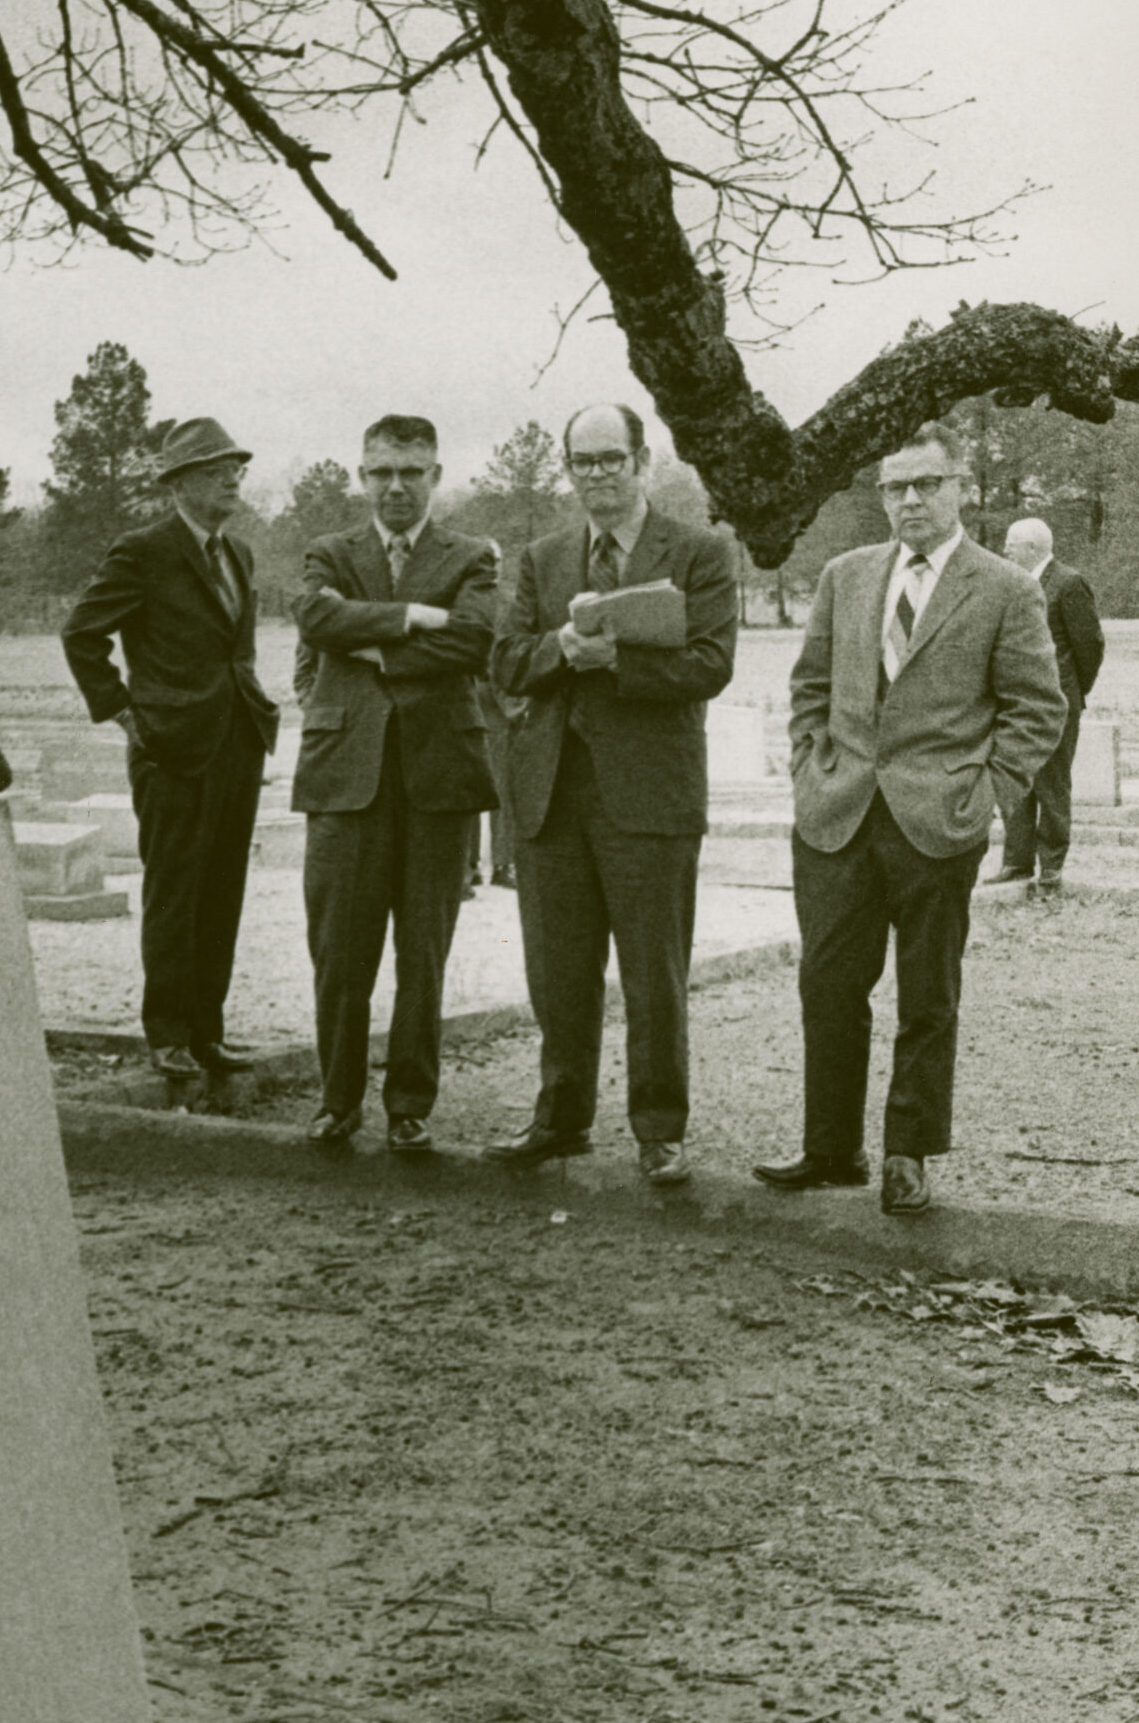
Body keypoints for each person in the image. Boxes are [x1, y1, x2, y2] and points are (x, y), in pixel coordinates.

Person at [754, 422, 1066, 1216]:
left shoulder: (1004, 587)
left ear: (958, 486)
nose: (911, 500)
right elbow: (810, 688)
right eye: (896, 486)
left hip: (938, 821)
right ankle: (830, 1149)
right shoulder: (846, 575)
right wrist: (808, 770)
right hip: (837, 815)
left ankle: (908, 1153)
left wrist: (986, 789)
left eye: (927, 483)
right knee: (827, 985)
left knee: (927, 995)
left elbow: (1037, 708)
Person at [486, 402, 739, 1187]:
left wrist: (615, 663)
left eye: (610, 459)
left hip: (650, 797)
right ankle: (560, 1120)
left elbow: (710, 666)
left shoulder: (698, 552)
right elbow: (504, 663)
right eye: (582, 461)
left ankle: (660, 1130)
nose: (596, 474)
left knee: (653, 973)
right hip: (552, 795)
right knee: (558, 972)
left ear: (642, 460)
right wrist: (562, 648)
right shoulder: (542, 557)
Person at [292, 415, 499, 1155]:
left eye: (412, 472)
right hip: (345, 778)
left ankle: (410, 1105)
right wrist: (411, 617)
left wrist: (368, 644)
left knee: (424, 953)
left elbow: (474, 639)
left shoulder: (472, 556)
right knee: (340, 952)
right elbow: (315, 616)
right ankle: (336, 1101)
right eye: (381, 472)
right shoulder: (330, 551)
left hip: (438, 778)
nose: (397, 486)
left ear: (436, 476)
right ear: (362, 476)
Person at [62, 417, 279, 1082]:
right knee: (175, 891)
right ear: (182, 484)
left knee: (222, 892)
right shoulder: (142, 551)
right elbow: (82, 634)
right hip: (170, 749)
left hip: (236, 743)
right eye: (219, 471)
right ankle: (168, 1033)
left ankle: (207, 1033)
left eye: (237, 469)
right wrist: (126, 713)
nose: (234, 479)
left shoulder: (238, 555)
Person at [992, 515, 1105, 897]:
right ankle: (1016, 862)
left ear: (1033, 548)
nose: (1004, 549)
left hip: (1056, 705)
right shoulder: (1009, 584)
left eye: (1011, 543)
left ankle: (1051, 870)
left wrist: (1070, 691)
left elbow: (1090, 645)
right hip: (1013, 705)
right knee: (1015, 783)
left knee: (1052, 785)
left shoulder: (1068, 583)